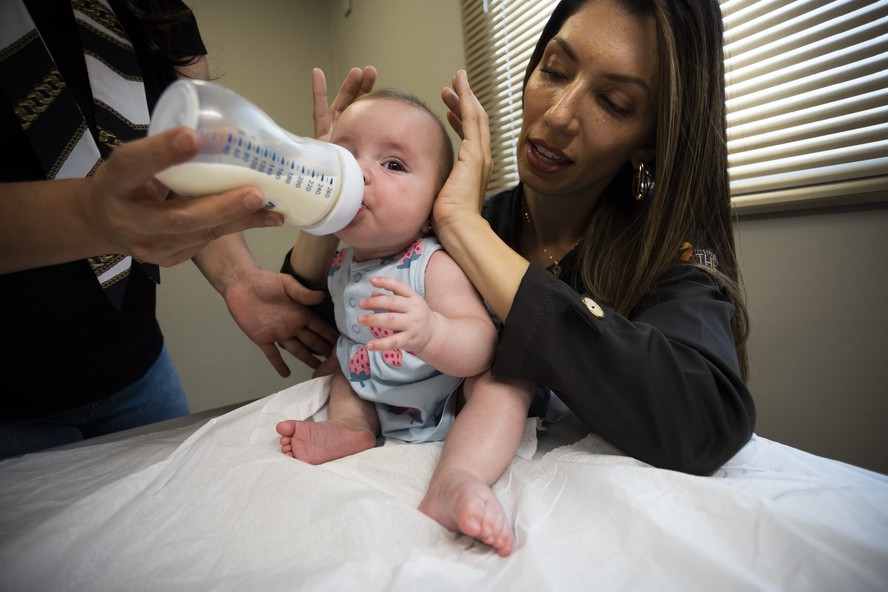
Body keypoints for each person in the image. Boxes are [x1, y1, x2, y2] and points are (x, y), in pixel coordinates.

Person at [281, 0, 755, 553]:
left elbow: (702, 419)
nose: (558, 115)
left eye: (614, 101)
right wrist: (328, 199)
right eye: (554, 70)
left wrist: (464, 228)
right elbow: (321, 326)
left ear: (650, 138)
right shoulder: (458, 219)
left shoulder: (670, 253)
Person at [0, 0, 336, 458]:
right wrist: (92, 216)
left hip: (138, 368)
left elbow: (193, 174)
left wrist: (238, 277)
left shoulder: (158, 15)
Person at [275, 90, 529, 556]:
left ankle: (458, 477)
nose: (361, 173)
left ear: (435, 203)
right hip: (379, 388)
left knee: (503, 383)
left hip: (449, 397)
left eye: (393, 164)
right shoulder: (341, 265)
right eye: (346, 157)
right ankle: (354, 427)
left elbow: (482, 342)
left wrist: (433, 331)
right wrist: (327, 374)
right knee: (345, 380)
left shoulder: (431, 264)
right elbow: (351, 337)